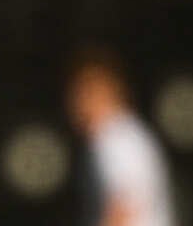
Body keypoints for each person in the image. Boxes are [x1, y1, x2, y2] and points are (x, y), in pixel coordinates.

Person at [65, 45, 175, 226]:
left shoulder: (115, 139)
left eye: (81, 93)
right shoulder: (129, 135)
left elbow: (123, 208)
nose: (74, 103)